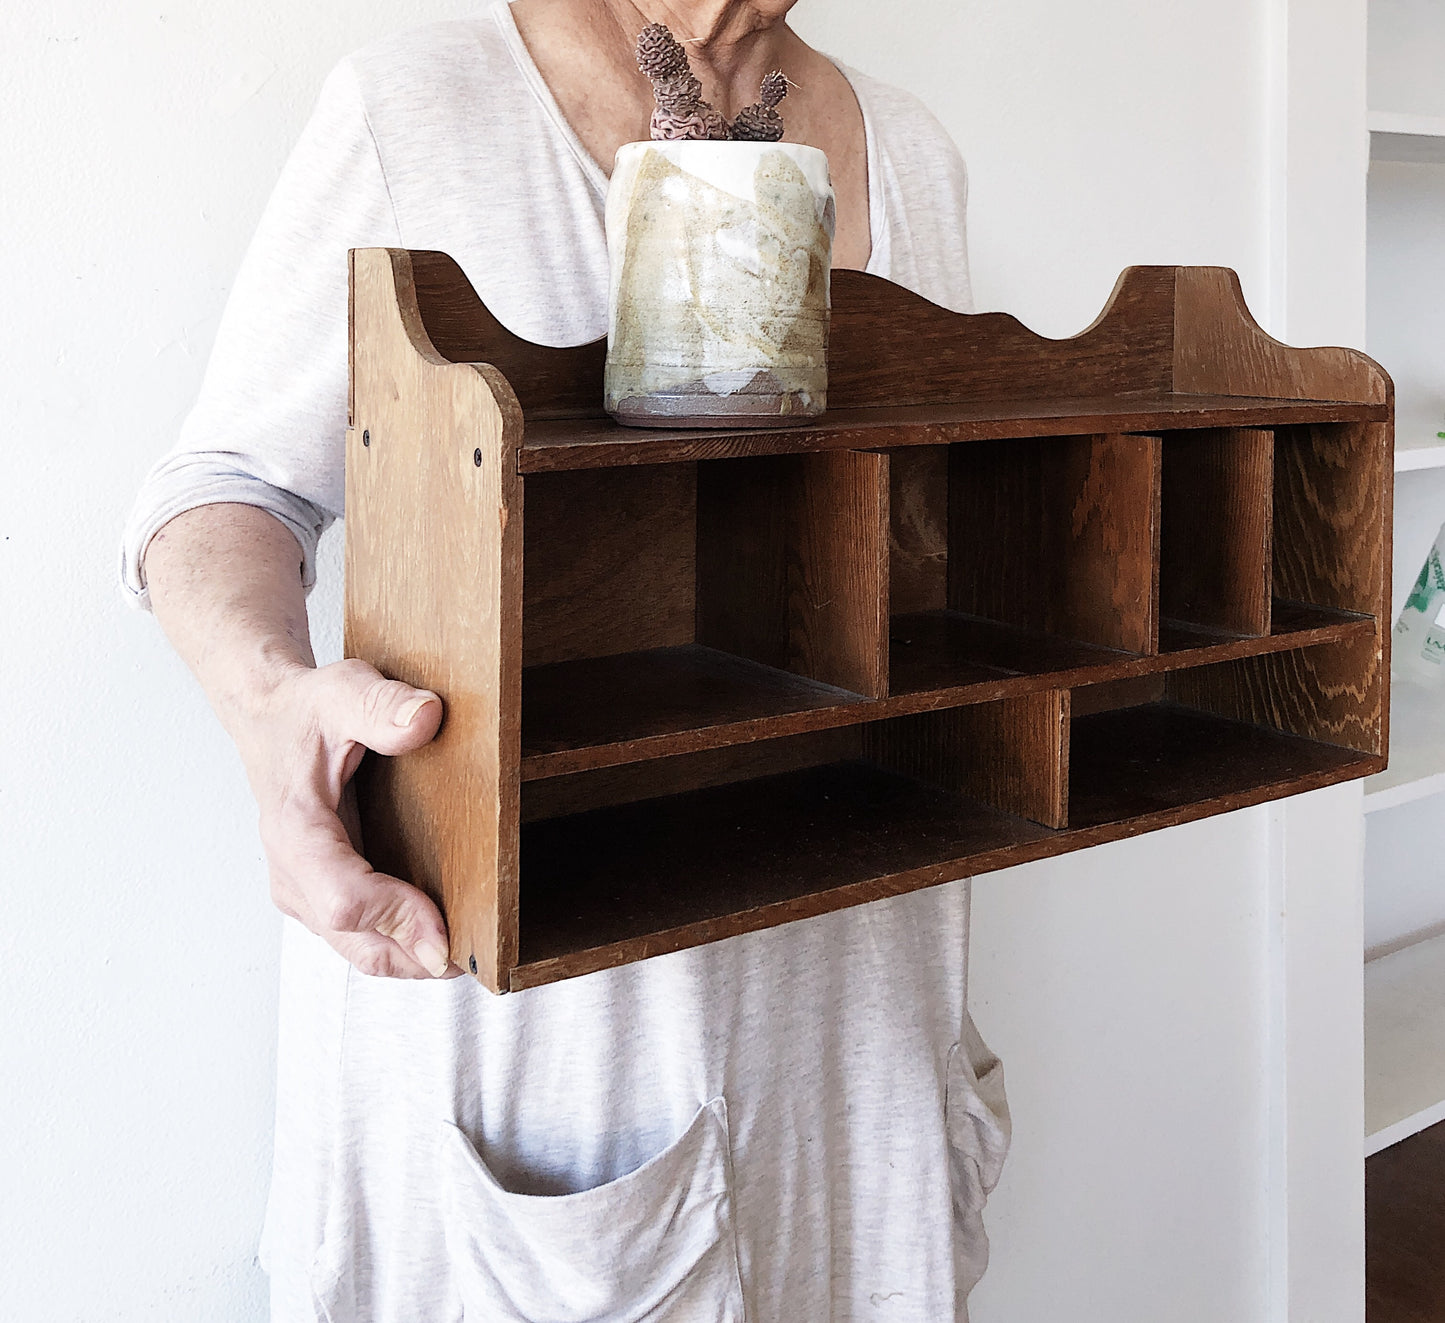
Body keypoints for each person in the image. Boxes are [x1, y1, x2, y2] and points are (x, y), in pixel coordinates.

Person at [121, 1, 1010, 1318]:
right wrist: (267, 699)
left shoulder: (911, 148)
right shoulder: (421, 105)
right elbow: (232, 483)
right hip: (541, 1038)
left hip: (854, 1034)